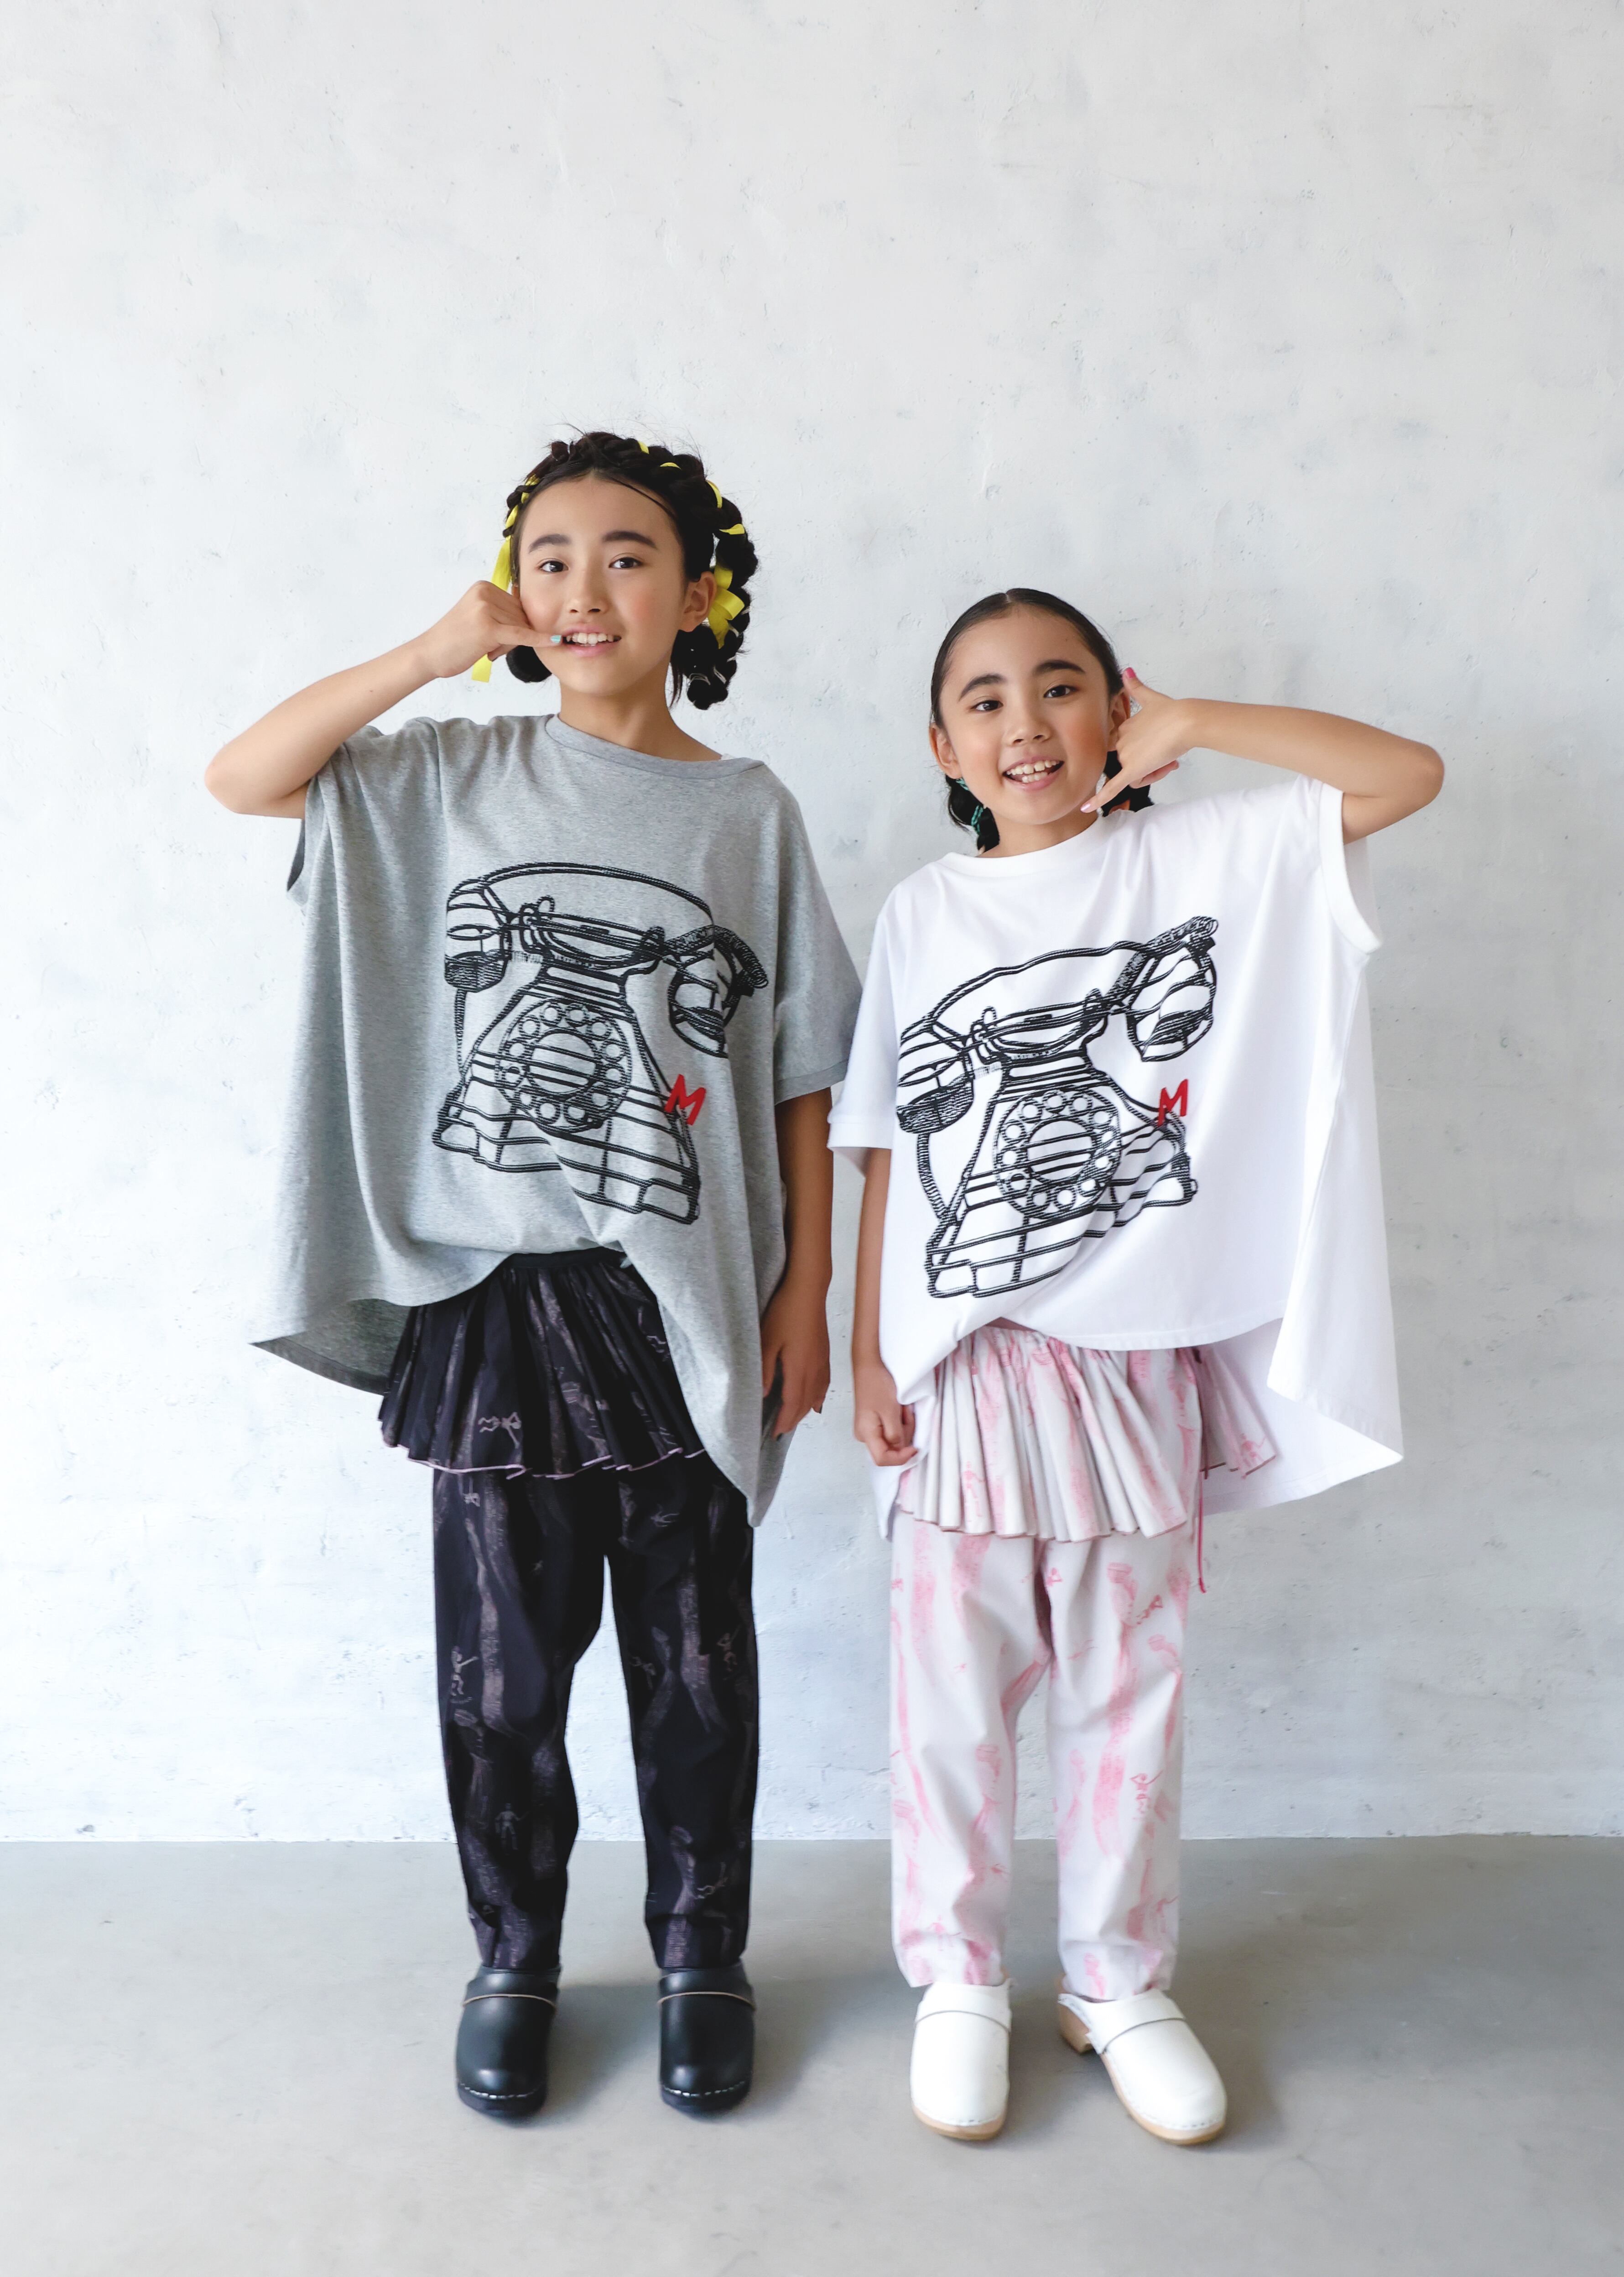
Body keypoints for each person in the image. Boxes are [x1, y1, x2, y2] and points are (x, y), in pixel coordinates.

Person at [206, 431, 860, 2120]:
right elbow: (244, 776)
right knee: (500, 1683)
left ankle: (703, 1955)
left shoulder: (747, 812)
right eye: (549, 557)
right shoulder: (445, 772)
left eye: (626, 555)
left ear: (696, 595)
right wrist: (436, 652)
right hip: (498, 1299)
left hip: (683, 1299)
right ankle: (516, 1956)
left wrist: (807, 1295)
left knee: (696, 1670)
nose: (583, 589)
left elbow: (801, 1072)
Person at [830, 588, 1442, 2144]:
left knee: (1130, 1690)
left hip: (1136, 1363)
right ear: (943, 746)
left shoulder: (1201, 862)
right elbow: (883, 1145)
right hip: (967, 1365)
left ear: (1116, 708)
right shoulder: (923, 913)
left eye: (1062, 687)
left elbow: (1404, 776)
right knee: (951, 1699)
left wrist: (1201, 726)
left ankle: (1117, 1981)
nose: (1025, 724)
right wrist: (866, 1352)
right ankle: (959, 1977)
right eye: (984, 699)